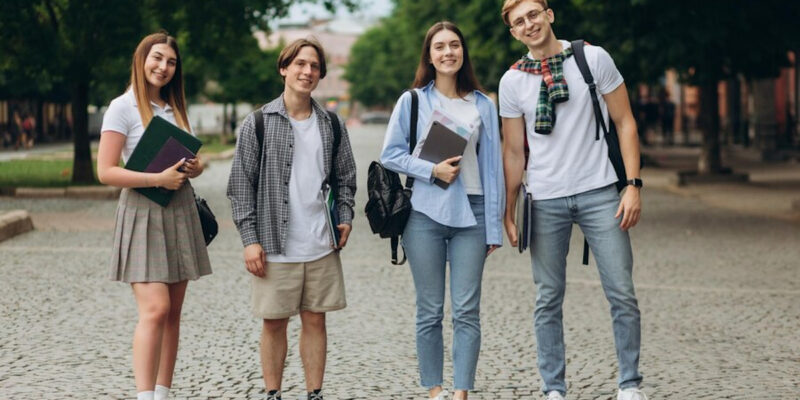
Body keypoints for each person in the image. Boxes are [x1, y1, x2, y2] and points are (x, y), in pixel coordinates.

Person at [498, 1, 646, 399]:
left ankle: (629, 385)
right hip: (544, 200)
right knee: (547, 298)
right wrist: (507, 210)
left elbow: (625, 121)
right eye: (518, 22)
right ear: (513, 32)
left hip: (600, 192)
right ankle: (554, 390)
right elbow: (514, 152)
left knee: (621, 292)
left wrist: (632, 184)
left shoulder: (592, 58)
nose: (528, 24)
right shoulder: (512, 82)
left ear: (549, 14)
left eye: (533, 14)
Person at [380, 21, 505, 400]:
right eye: (439, 47)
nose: (448, 52)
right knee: (430, 310)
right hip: (424, 215)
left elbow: (494, 167)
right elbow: (390, 154)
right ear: (429, 56)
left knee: (467, 311)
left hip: (474, 213)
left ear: (463, 52)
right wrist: (430, 169)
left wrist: (494, 227)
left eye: (454, 45)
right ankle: (434, 390)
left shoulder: (484, 104)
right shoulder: (413, 101)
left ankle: (461, 392)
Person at [227, 37, 356, 400]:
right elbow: (240, 186)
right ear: (284, 68)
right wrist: (250, 240)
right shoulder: (258, 122)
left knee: (316, 320)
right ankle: (273, 394)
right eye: (300, 64)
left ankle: (314, 393)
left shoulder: (331, 122)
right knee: (274, 322)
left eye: (314, 66)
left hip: (320, 242)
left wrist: (344, 216)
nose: (307, 71)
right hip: (273, 243)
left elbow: (346, 177)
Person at [96, 32, 212, 400]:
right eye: (157, 58)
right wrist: (156, 178)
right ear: (142, 58)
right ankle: (145, 396)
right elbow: (106, 171)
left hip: (179, 210)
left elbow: (190, 159)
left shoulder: (175, 108)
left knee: (173, 313)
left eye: (171, 62)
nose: (163, 67)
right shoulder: (122, 107)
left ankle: (162, 394)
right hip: (142, 211)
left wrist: (196, 168)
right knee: (156, 309)